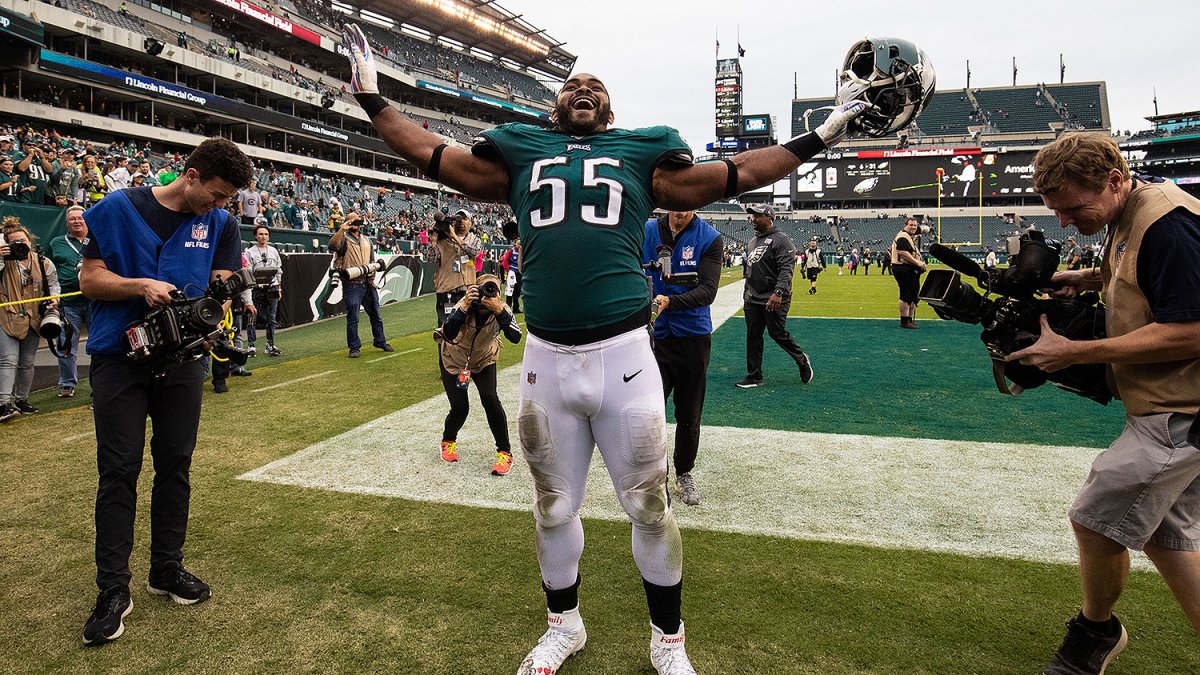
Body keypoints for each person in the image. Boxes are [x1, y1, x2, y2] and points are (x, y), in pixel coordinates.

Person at [342, 23, 866, 675]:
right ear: (556, 107)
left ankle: (668, 642)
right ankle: (565, 625)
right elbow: (436, 154)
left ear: (609, 111)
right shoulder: (524, 151)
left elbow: (729, 175)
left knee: (649, 503)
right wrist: (371, 97)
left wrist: (822, 134)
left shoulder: (637, 154)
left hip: (623, 359)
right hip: (545, 362)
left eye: (595, 86)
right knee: (552, 504)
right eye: (573, 85)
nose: (583, 88)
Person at [1007, 134, 1200, 673]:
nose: (1066, 222)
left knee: (1095, 521)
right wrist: (1086, 277)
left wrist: (1076, 352)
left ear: (1115, 180)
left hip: (1179, 412)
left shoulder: (1167, 225)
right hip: (1175, 407)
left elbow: (1192, 330)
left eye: (1073, 207)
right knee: (1169, 538)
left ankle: (1095, 632)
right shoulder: (1139, 209)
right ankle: (1097, 632)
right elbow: (1148, 272)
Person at [77, 137, 253, 645]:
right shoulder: (118, 206)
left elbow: (220, 281)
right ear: (192, 174)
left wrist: (224, 298)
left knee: (176, 464)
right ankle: (113, 588)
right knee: (118, 470)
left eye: (226, 200)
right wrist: (139, 286)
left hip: (183, 362)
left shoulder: (221, 224)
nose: (218, 206)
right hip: (120, 359)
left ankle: (166, 568)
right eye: (216, 194)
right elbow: (90, 280)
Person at [644, 210, 722, 506]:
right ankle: (655, 479)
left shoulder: (710, 238)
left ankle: (684, 474)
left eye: (685, 205)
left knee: (689, 416)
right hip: (653, 337)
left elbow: (708, 291)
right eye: (673, 204)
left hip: (693, 338)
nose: (678, 212)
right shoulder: (646, 230)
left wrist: (670, 302)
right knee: (650, 414)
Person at [435, 274, 522, 474]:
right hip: (454, 360)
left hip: (484, 359)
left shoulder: (502, 310)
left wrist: (499, 311)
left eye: (492, 291)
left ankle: (505, 452)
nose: (487, 296)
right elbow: (448, 332)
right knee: (460, 407)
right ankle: (448, 440)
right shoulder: (463, 305)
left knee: (490, 399)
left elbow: (516, 337)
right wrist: (465, 305)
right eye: (484, 289)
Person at [737, 204, 814, 389]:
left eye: (758, 215)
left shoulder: (782, 240)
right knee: (753, 335)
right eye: (753, 216)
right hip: (753, 298)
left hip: (774, 296)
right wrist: (746, 291)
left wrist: (779, 292)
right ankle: (754, 376)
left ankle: (802, 359)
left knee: (776, 333)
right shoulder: (752, 241)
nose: (754, 219)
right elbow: (750, 268)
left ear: (769, 217)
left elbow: (786, 269)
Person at [0, 218, 59, 421]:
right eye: (13, 242)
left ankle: (22, 400)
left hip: (34, 317)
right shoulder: (3, 262)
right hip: (7, 316)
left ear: (29, 240)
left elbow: (53, 283)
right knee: (8, 360)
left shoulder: (42, 261)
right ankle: (3, 403)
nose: (19, 245)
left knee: (27, 362)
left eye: (22, 241)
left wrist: (54, 298)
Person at [330, 210, 392, 358]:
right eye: (351, 221)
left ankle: (380, 341)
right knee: (353, 316)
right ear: (346, 222)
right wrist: (341, 229)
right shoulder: (343, 238)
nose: (354, 224)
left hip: (367, 282)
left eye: (356, 221)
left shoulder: (366, 240)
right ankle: (354, 347)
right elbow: (332, 246)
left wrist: (372, 275)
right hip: (351, 283)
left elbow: (371, 260)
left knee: (376, 314)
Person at [47, 205, 90, 397]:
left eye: (80, 218)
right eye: (72, 218)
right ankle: (67, 382)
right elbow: (48, 269)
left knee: (99, 341)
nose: (76, 221)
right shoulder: (57, 243)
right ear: (66, 223)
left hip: (94, 300)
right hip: (68, 302)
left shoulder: (96, 240)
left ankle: (99, 383)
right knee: (65, 344)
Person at [431, 210, 479, 326]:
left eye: (465, 219)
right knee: (446, 327)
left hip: (467, 290)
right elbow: (430, 258)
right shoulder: (442, 241)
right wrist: (434, 237)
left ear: (471, 223)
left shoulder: (475, 240)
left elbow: (473, 252)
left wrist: (454, 236)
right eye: (459, 219)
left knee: (467, 326)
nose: (461, 221)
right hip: (446, 289)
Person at [245, 225, 283, 357]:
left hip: (272, 287)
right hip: (256, 288)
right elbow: (248, 273)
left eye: (266, 234)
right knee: (252, 317)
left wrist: (279, 287)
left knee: (271, 318)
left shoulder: (273, 251)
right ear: (256, 236)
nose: (263, 237)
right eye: (260, 234)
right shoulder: (249, 252)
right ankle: (251, 345)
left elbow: (279, 270)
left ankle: (270, 344)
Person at [890, 217, 927, 329]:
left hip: (908, 268)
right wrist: (918, 263)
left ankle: (909, 320)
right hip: (903, 268)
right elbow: (903, 252)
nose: (913, 227)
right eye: (911, 225)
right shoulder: (903, 237)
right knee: (906, 294)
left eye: (915, 225)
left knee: (913, 294)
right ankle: (905, 321)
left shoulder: (908, 236)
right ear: (905, 225)